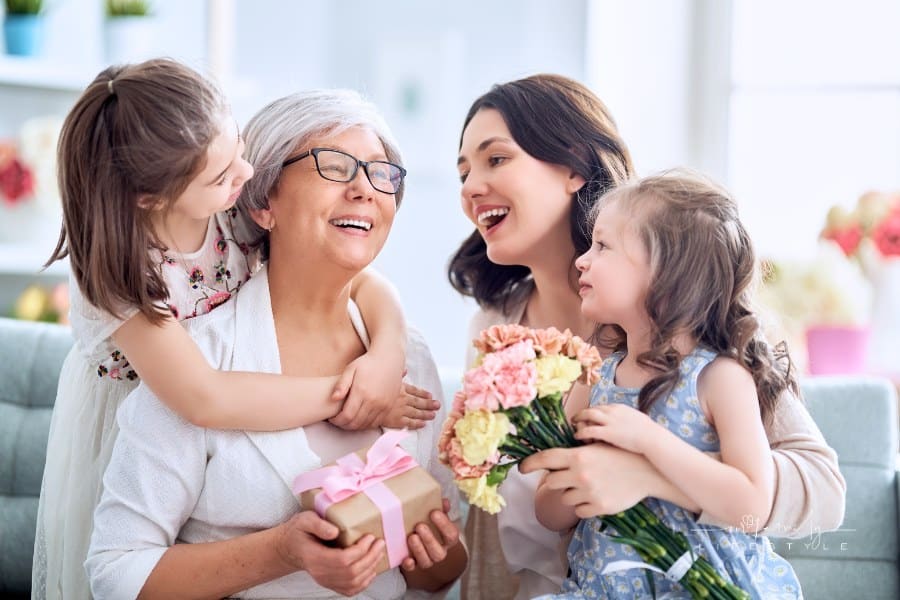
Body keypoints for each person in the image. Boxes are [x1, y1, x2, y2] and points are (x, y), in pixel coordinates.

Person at [34, 60, 436, 600]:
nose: (242, 177)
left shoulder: (224, 206)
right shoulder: (126, 284)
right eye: (334, 166)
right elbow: (205, 397)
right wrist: (349, 399)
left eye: (241, 154)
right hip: (153, 387)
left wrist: (385, 357)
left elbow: (365, 279)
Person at [449, 74, 845, 599]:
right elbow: (509, 524)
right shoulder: (495, 331)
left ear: (573, 167)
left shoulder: (695, 334)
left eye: (496, 159)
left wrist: (646, 471)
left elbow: (823, 493)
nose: (471, 186)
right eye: (463, 171)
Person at [532, 170, 802, 598]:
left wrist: (647, 443)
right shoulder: (593, 378)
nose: (582, 259)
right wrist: (579, 477)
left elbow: (752, 505)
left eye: (603, 246)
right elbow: (547, 513)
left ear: (667, 276)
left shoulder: (720, 379)